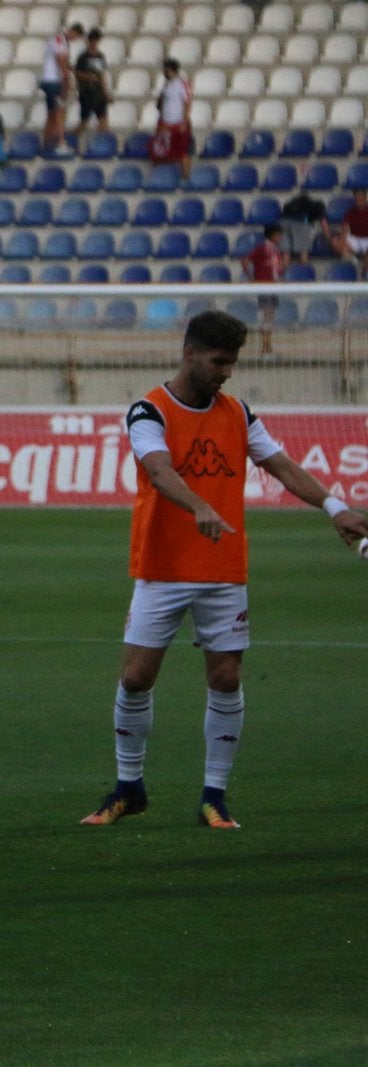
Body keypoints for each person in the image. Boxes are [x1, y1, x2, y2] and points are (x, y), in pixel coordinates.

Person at [80, 310, 368, 832]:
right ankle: (128, 787)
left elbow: (281, 465)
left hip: (223, 569)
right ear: (190, 353)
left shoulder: (238, 412)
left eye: (232, 363)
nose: (226, 372)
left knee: (227, 678)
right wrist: (200, 506)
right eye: (218, 362)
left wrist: (335, 508)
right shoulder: (150, 411)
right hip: (163, 568)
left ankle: (215, 796)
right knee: (136, 677)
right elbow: (158, 471)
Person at [40, 22, 83, 156]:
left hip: (48, 80)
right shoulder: (60, 40)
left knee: (52, 113)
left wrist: (70, 69)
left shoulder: (61, 41)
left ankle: (47, 143)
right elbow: (60, 59)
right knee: (59, 112)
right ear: (73, 32)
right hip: (53, 80)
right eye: (75, 37)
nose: (74, 39)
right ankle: (60, 143)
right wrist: (66, 78)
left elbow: (62, 60)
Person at [241, 223, 284, 355]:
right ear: (272, 235)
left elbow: (277, 268)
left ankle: (268, 346)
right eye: (278, 234)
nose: (280, 237)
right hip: (265, 285)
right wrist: (251, 278)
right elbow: (245, 260)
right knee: (266, 315)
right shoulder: (262, 248)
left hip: (274, 285)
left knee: (270, 315)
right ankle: (265, 347)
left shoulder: (276, 250)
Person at [150, 57, 192, 180]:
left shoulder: (183, 84)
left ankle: (185, 177)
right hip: (164, 122)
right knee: (159, 150)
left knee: (182, 151)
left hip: (178, 123)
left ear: (171, 70)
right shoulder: (166, 85)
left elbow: (187, 103)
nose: (164, 72)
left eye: (165, 69)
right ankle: (159, 177)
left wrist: (184, 121)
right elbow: (160, 103)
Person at [73, 28, 112, 149]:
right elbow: (76, 73)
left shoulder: (101, 56)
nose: (95, 44)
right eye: (93, 41)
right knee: (84, 123)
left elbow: (102, 75)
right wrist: (88, 77)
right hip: (87, 93)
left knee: (104, 123)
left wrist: (106, 92)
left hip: (99, 94)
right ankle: (70, 140)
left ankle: (103, 147)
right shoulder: (83, 57)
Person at [277, 188, 331, 266]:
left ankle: (286, 276)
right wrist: (328, 238)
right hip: (302, 222)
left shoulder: (289, 204)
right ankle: (304, 276)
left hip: (283, 224)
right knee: (303, 254)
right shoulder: (318, 204)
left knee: (286, 253)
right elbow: (323, 223)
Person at [331, 187, 368, 279]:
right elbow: (345, 229)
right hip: (355, 238)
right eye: (357, 198)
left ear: (365, 197)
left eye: (361, 198)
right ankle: (353, 264)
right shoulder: (350, 213)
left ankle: (364, 268)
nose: (359, 200)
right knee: (335, 241)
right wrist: (342, 242)